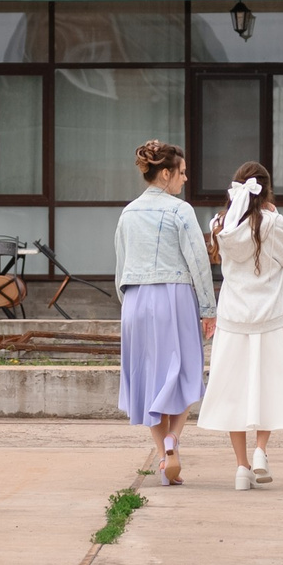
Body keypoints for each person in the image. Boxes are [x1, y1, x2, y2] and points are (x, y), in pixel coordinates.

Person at [197, 161, 283, 490]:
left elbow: (215, 256)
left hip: (233, 317)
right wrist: (274, 213)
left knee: (233, 391)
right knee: (268, 385)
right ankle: (261, 452)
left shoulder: (220, 224)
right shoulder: (273, 222)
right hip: (269, 318)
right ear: (266, 190)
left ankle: (241, 468)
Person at [114, 139, 214, 485]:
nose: (184, 180)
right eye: (182, 173)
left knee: (149, 377)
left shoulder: (128, 212)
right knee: (187, 370)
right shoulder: (180, 210)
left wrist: (128, 305)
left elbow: (120, 266)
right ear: (166, 173)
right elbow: (199, 263)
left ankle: (163, 457)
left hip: (136, 300)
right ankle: (174, 439)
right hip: (174, 296)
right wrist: (208, 308)